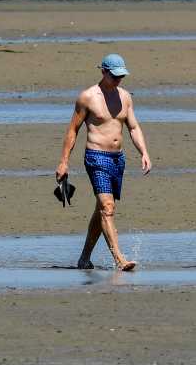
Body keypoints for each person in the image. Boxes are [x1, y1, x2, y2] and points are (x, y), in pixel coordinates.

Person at [56, 54, 153, 271]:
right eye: (114, 76)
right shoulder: (88, 97)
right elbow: (73, 130)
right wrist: (64, 162)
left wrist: (144, 152)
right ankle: (120, 259)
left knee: (103, 208)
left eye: (121, 76)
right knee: (108, 207)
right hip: (96, 156)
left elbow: (134, 128)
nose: (119, 80)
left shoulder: (125, 97)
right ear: (103, 72)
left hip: (118, 159)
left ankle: (84, 259)